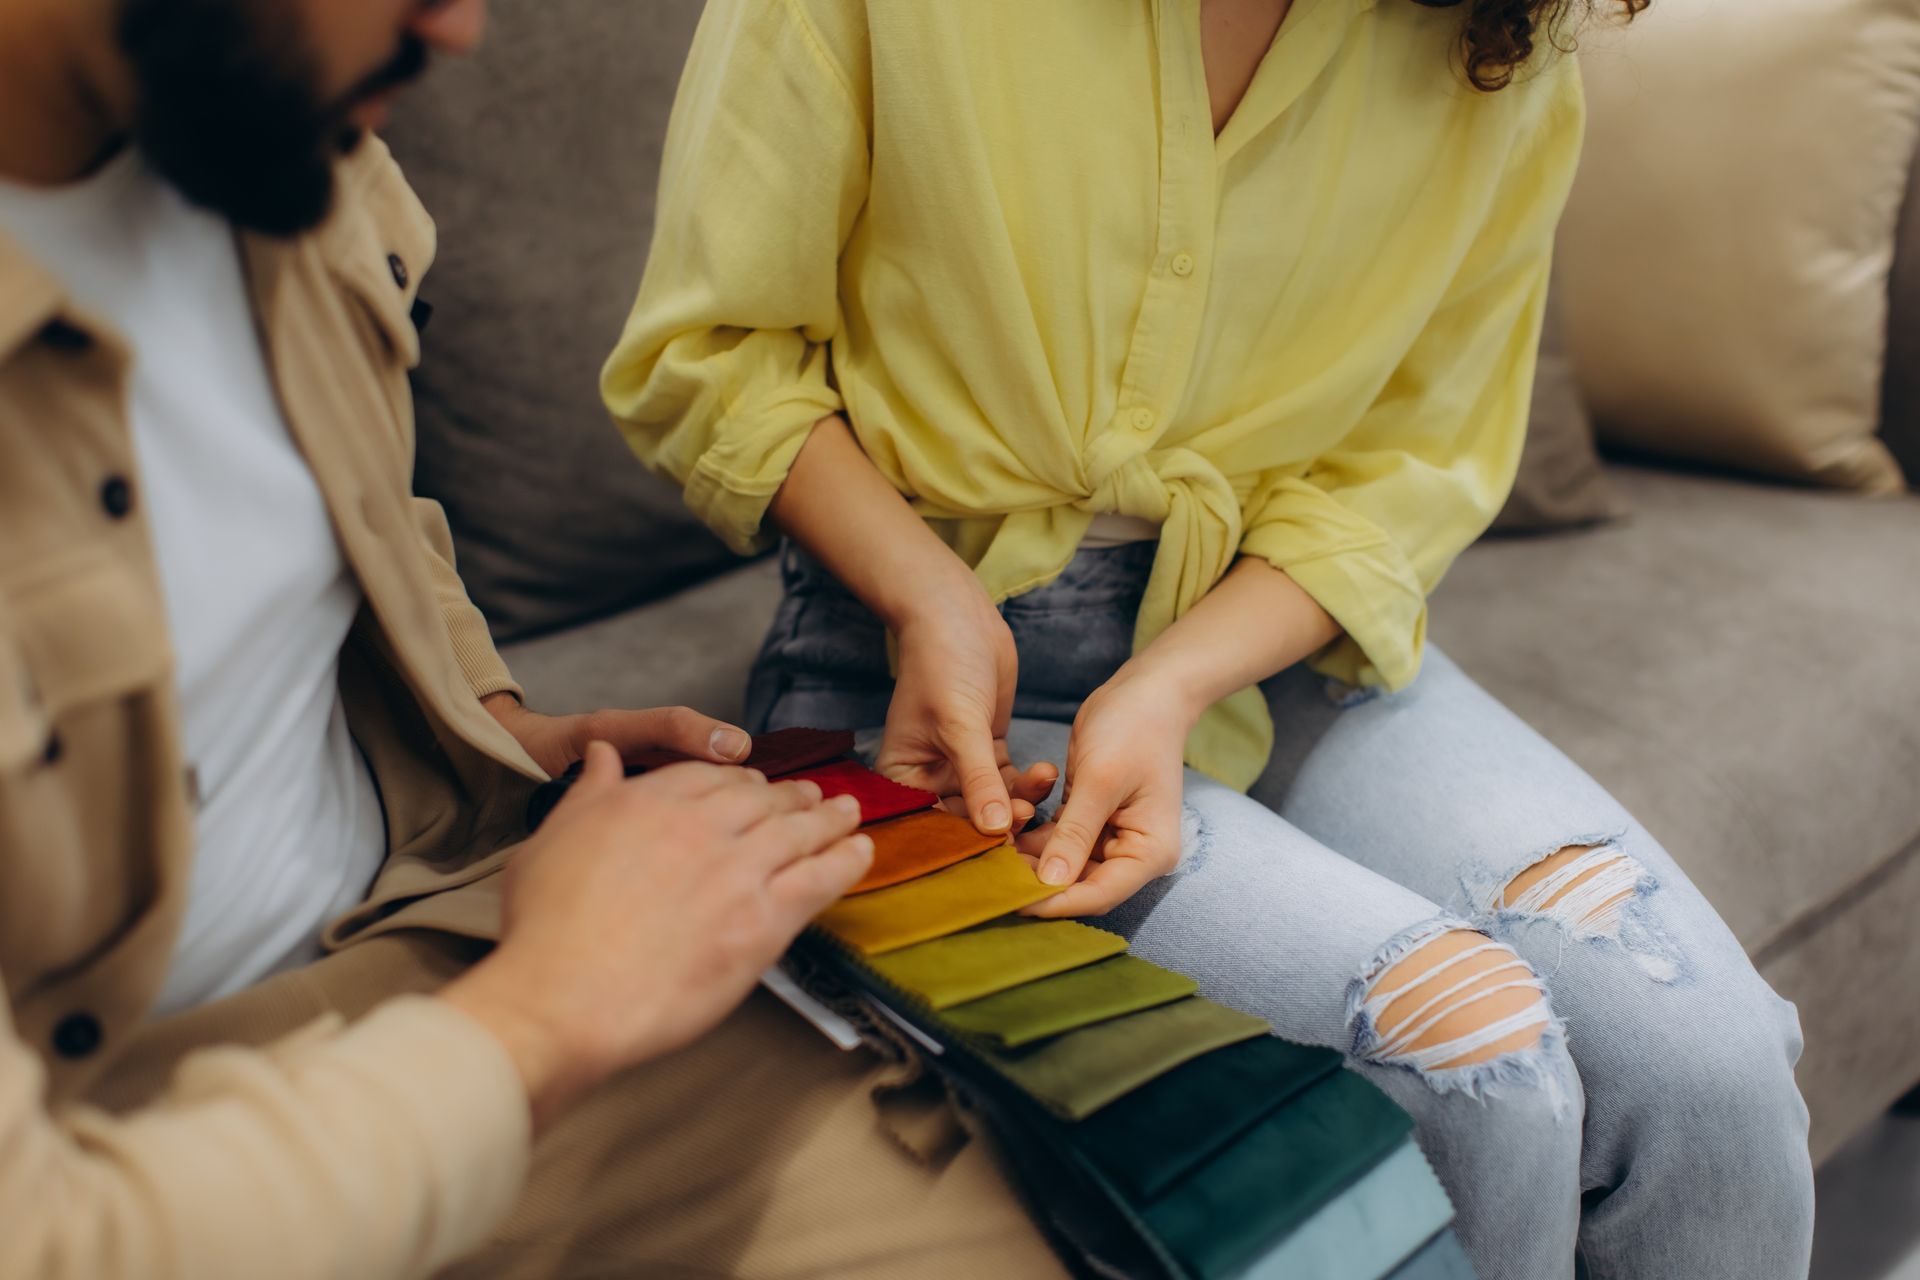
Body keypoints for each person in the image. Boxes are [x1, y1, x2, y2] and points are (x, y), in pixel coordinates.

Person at [605, 1, 1818, 1275]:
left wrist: (1175, 677)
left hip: (1279, 636)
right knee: (1473, 1056)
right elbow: (711, 353)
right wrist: (929, 594)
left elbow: (1410, 461)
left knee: (1711, 1073)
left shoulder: (1496, 30)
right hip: (922, 680)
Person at [0, 1, 1077, 1276]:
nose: (461, 28)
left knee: (1044, 1180)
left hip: (432, 918)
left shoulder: (280, 126)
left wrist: (497, 727)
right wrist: (552, 1007)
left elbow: (348, 514)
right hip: (152, 1144)